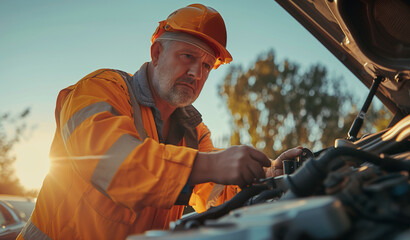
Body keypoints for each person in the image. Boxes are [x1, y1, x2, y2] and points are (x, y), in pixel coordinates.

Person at [18, 3, 302, 240]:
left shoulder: (194, 132)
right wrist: (212, 164)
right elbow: (110, 162)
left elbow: (215, 194)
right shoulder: (99, 89)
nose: (196, 73)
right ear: (156, 53)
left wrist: (264, 178)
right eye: (187, 56)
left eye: (206, 65)